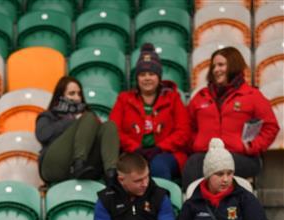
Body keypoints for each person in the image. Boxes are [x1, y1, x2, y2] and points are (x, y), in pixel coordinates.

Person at [183, 46, 280, 190]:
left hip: (242, 157)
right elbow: (188, 126)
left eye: (221, 65)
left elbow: (271, 127)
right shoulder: (201, 96)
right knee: (194, 163)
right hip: (205, 154)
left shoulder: (252, 95)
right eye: (213, 66)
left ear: (234, 66)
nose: (216, 70)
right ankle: (195, 209)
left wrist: (251, 146)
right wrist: (196, 144)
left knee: (212, 165)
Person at [109, 43, 191, 182]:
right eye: (142, 74)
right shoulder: (124, 99)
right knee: (126, 171)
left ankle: (161, 203)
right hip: (133, 153)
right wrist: (134, 148)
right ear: (137, 78)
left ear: (159, 77)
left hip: (167, 153)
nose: (147, 78)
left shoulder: (173, 98)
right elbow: (113, 129)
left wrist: (160, 148)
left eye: (152, 74)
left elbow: (183, 131)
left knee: (159, 166)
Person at [35, 76, 119, 185]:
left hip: (87, 167)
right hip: (54, 165)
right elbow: (42, 135)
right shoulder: (49, 115)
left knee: (109, 126)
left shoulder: (87, 115)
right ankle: (79, 164)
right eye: (72, 93)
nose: (77, 98)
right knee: (88, 117)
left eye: (79, 94)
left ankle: (111, 174)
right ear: (60, 95)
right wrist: (72, 119)